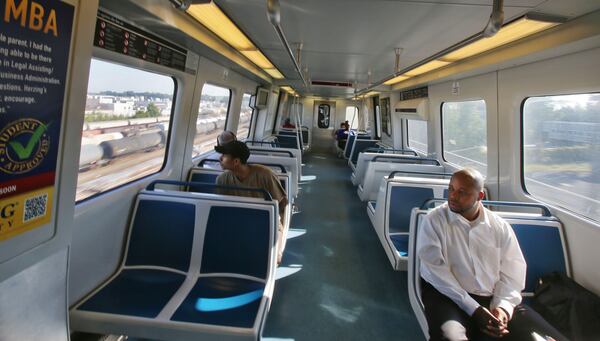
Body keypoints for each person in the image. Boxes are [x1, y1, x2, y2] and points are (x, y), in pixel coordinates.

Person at [417, 168, 568, 341]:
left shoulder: (499, 227)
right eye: (451, 188)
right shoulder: (434, 220)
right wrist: (474, 309)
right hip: (447, 296)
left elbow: (513, 274)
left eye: (462, 192)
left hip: (492, 296)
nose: (452, 196)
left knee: (546, 337)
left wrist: (502, 307)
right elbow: (435, 272)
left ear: (480, 196)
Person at [214, 141, 288, 263]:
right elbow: (221, 208)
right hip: (237, 222)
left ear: (236, 161)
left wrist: (279, 229)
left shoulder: (265, 175)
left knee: (272, 258)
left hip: (266, 221)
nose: (220, 158)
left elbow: (282, 205)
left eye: (224, 156)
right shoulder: (222, 180)